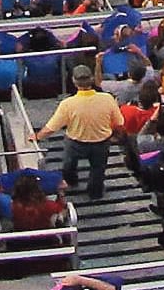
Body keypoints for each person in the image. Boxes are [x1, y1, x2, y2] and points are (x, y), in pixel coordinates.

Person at [48, 69, 125, 203]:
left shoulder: (67, 103)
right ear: (92, 79)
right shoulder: (107, 98)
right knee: (98, 168)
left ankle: (71, 182)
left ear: (74, 81)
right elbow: (119, 122)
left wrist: (38, 136)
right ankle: (95, 193)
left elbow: (52, 126)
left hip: (75, 142)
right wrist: (118, 135)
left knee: (69, 163)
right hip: (101, 141)